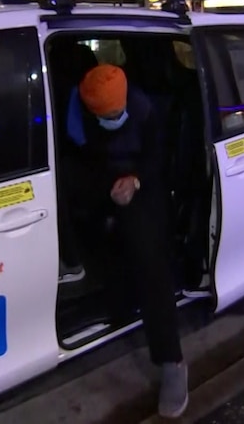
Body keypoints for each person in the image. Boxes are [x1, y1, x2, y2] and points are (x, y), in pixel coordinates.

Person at [61, 63, 188, 419]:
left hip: (143, 183)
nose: (113, 118)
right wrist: (106, 187)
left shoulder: (145, 108)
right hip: (104, 180)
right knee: (94, 227)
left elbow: (158, 157)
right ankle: (110, 298)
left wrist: (135, 180)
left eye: (118, 113)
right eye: (105, 116)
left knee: (151, 263)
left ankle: (172, 363)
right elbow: (76, 163)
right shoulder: (77, 116)